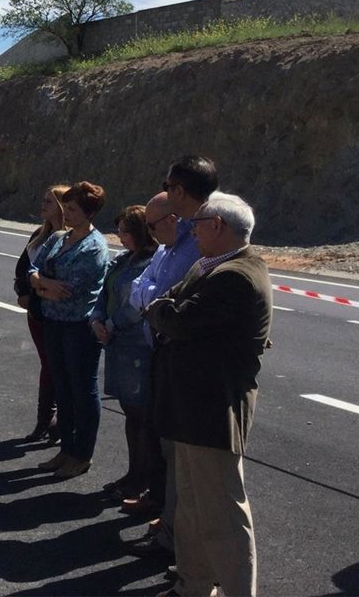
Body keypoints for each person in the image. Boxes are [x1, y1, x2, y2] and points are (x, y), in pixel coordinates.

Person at [147, 193, 272, 597]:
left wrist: (161, 309)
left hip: (212, 409)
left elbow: (176, 318)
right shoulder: (211, 266)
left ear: (217, 226)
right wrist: (165, 308)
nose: (191, 230)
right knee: (192, 508)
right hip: (192, 407)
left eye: (197, 223)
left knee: (221, 512)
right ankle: (194, 584)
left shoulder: (235, 275)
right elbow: (170, 305)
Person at [124, 156, 217, 560]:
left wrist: (152, 301)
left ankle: (187, 548)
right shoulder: (167, 248)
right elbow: (141, 287)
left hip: (186, 361)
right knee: (166, 446)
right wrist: (152, 301)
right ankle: (171, 523)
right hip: (162, 352)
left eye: (153, 224)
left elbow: (169, 299)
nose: (150, 231)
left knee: (192, 464)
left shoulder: (197, 247)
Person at [29, 180, 111, 479]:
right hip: (54, 322)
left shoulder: (95, 246)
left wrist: (41, 285)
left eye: (74, 209)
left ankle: (82, 454)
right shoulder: (59, 238)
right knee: (61, 387)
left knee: (82, 390)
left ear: (89, 213)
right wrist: (42, 285)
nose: (68, 214)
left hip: (79, 327)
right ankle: (66, 449)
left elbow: (72, 290)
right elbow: (32, 269)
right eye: (67, 208)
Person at [91, 205, 156, 507]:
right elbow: (104, 293)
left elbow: (137, 303)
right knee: (131, 415)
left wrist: (111, 323)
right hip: (116, 344)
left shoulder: (151, 263)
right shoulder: (122, 260)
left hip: (136, 347)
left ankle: (144, 480)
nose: (120, 236)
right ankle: (134, 474)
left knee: (142, 417)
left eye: (126, 231)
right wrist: (97, 319)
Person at [12, 184, 67, 443]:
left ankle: (52, 421)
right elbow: (23, 267)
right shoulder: (39, 233)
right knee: (48, 364)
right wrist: (22, 292)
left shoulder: (70, 237)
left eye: (49, 201)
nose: (43, 204)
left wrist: (38, 290)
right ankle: (46, 421)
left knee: (54, 366)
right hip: (36, 312)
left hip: (58, 314)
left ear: (63, 207)